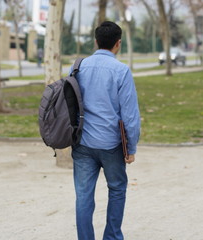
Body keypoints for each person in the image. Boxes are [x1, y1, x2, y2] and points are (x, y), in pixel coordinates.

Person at [71, 21, 141, 240]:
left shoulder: (77, 67)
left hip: (82, 143)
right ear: (118, 44)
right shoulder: (121, 71)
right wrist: (131, 147)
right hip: (111, 144)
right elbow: (130, 116)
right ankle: (111, 237)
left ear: (95, 41)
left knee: (83, 195)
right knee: (117, 189)